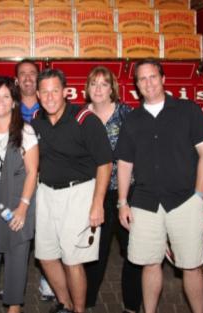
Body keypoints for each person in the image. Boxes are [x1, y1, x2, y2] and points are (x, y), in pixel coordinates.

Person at [115, 59, 203, 313]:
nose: (148, 83)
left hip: (184, 200)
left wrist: (198, 196)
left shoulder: (188, 110)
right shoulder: (133, 119)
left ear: (163, 79)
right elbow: (125, 163)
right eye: (142, 79)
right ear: (136, 85)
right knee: (150, 264)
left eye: (152, 77)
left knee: (191, 266)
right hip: (145, 202)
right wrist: (123, 202)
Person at [31, 69, 113, 313]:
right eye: (44, 92)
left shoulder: (85, 119)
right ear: (37, 94)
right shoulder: (36, 118)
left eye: (55, 90)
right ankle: (65, 305)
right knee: (45, 256)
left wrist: (97, 203)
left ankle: (79, 310)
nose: (50, 97)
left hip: (79, 194)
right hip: (46, 193)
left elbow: (105, 163)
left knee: (72, 260)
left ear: (65, 92)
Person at [0, 76, 39, 313]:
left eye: (6, 96)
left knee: (17, 254)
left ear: (14, 102)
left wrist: (23, 208)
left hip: (16, 203)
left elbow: (32, 172)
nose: (0, 100)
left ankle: (14, 304)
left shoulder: (26, 131)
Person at [83, 66, 142, 313]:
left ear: (112, 89)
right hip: (97, 193)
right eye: (94, 83)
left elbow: (141, 151)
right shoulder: (82, 116)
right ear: (87, 88)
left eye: (103, 84)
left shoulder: (127, 114)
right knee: (95, 251)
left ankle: (131, 305)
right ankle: (85, 303)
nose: (98, 89)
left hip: (127, 192)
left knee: (133, 251)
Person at [15, 58, 55, 301]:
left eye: (32, 73)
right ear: (17, 80)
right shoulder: (7, 105)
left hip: (46, 176)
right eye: (23, 74)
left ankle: (47, 279)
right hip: (17, 176)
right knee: (16, 230)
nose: (28, 78)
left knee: (46, 229)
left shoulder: (51, 105)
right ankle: (13, 279)